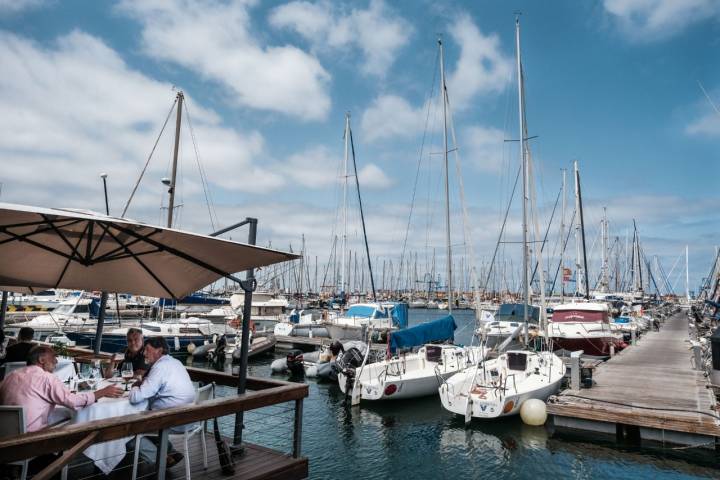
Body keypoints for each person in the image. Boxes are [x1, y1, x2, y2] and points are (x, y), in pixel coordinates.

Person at [0, 345, 123, 432]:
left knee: (61, 414)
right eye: (53, 357)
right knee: (75, 417)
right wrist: (102, 392)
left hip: (6, 434)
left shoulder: (10, 375)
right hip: (30, 439)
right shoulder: (46, 378)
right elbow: (73, 402)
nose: (56, 361)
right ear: (42, 360)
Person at [128, 337, 196, 468]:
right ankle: (170, 451)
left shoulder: (160, 367)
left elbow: (135, 398)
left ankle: (159, 459)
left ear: (159, 351)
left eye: (147, 350)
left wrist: (135, 386)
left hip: (172, 421)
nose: (144, 353)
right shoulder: (175, 362)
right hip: (188, 418)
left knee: (128, 433)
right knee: (145, 422)